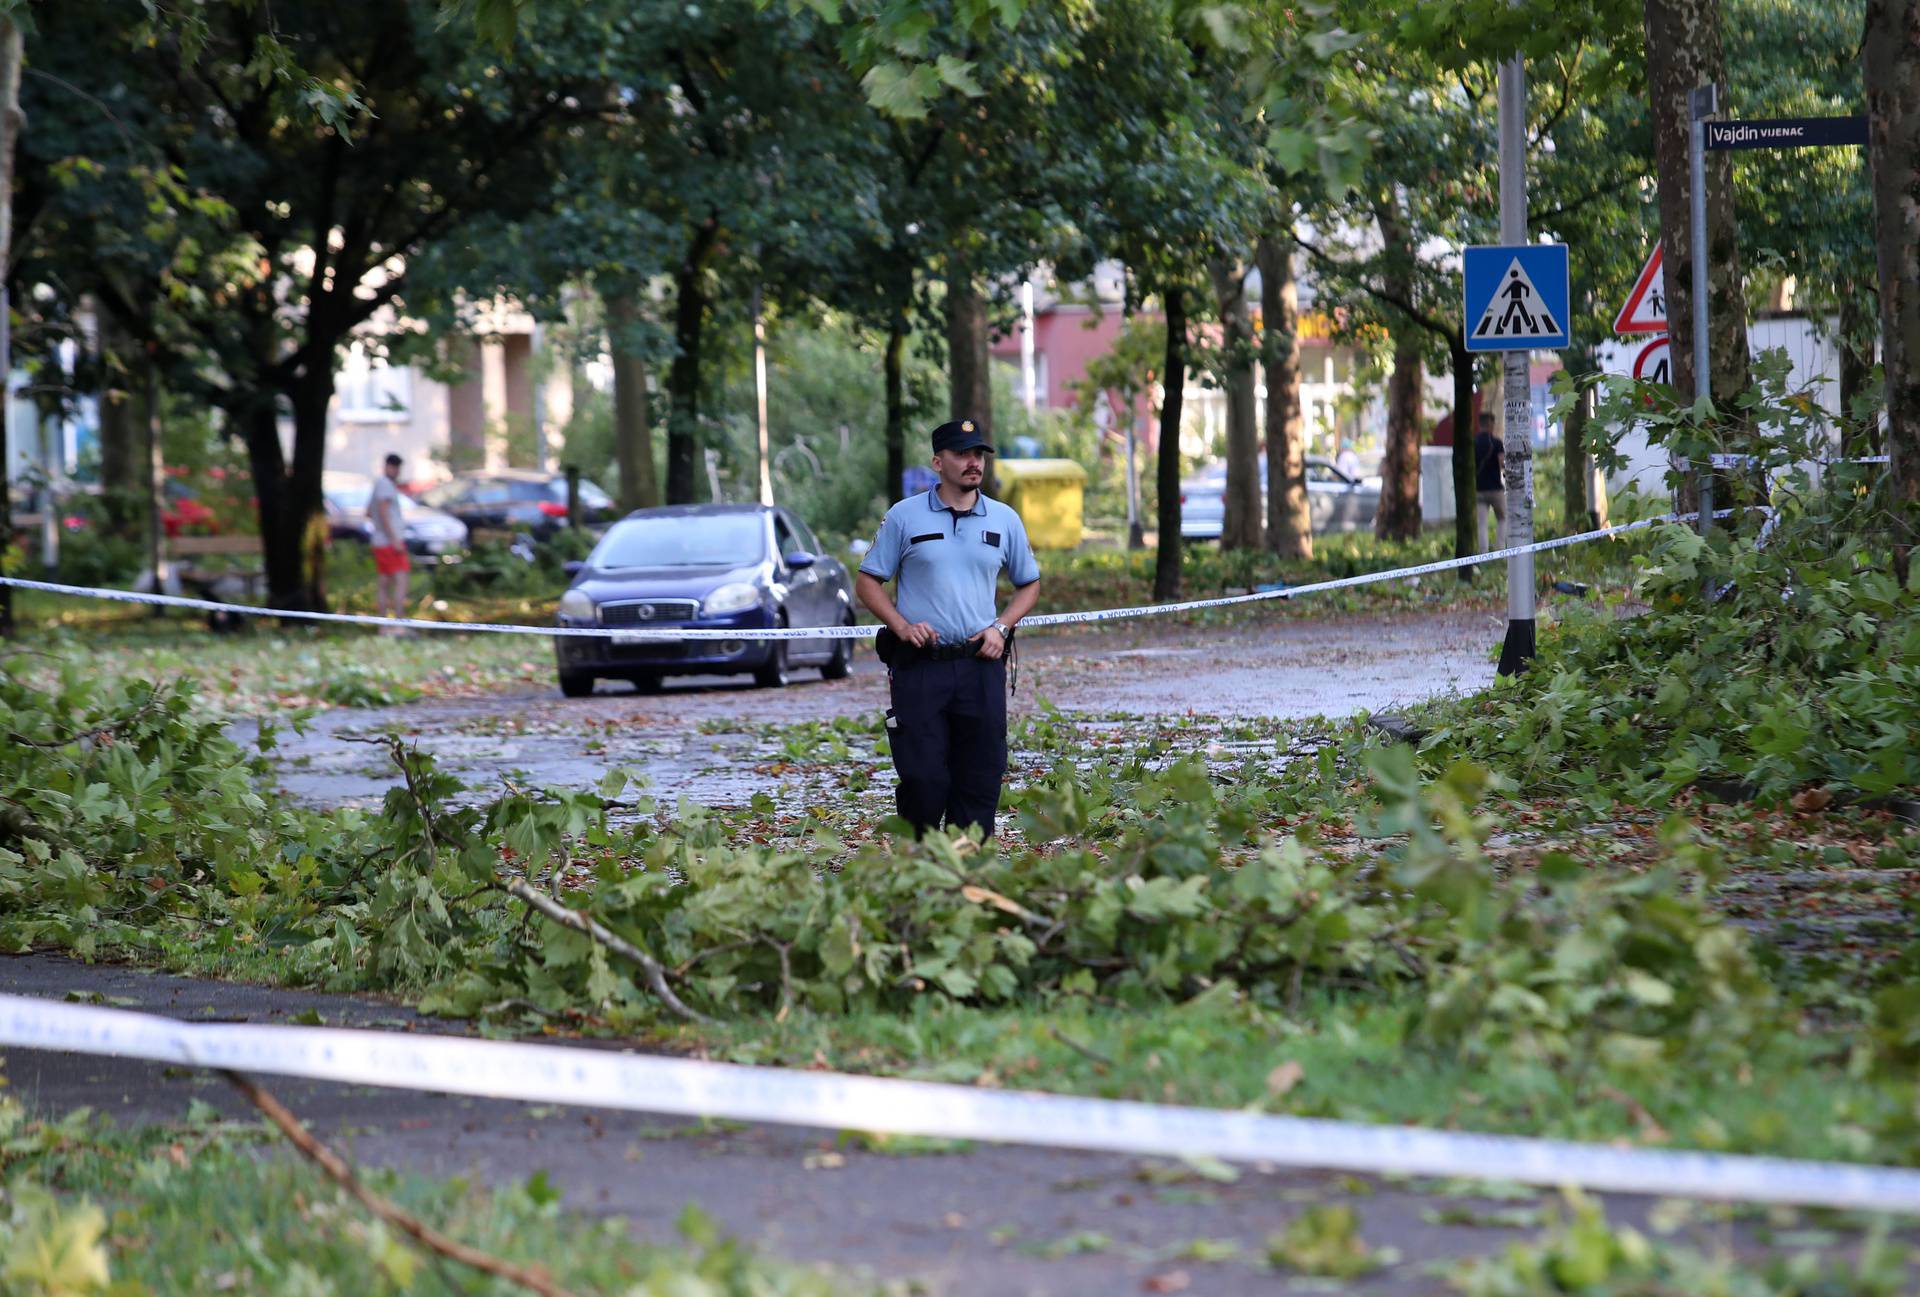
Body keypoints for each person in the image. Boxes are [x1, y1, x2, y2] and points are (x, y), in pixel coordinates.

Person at [855, 418, 1041, 841]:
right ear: (938, 462)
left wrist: (1001, 626)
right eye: (962, 454)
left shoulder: (1005, 519)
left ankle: (965, 871)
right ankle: (919, 862)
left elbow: (1029, 584)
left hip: (980, 664)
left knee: (979, 776)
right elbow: (867, 583)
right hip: (921, 667)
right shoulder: (904, 517)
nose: (973, 463)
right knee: (924, 779)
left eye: (978, 455)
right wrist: (901, 626)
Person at [370, 453, 411, 629]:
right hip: (389, 542)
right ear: (387, 466)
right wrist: (394, 539)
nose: (396, 471)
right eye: (394, 467)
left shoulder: (379, 485)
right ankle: (399, 625)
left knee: (384, 584)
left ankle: (384, 626)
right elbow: (383, 512)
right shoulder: (385, 485)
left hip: (380, 541)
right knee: (401, 581)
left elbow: (369, 512)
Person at [1472, 412, 1505, 552]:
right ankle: (1499, 549)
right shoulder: (1496, 443)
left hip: (1478, 489)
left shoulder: (1473, 442)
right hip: (1495, 489)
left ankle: (1483, 554)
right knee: (1503, 518)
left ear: (1480, 424)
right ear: (1491, 424)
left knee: (1481, 524)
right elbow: (1502, 462)